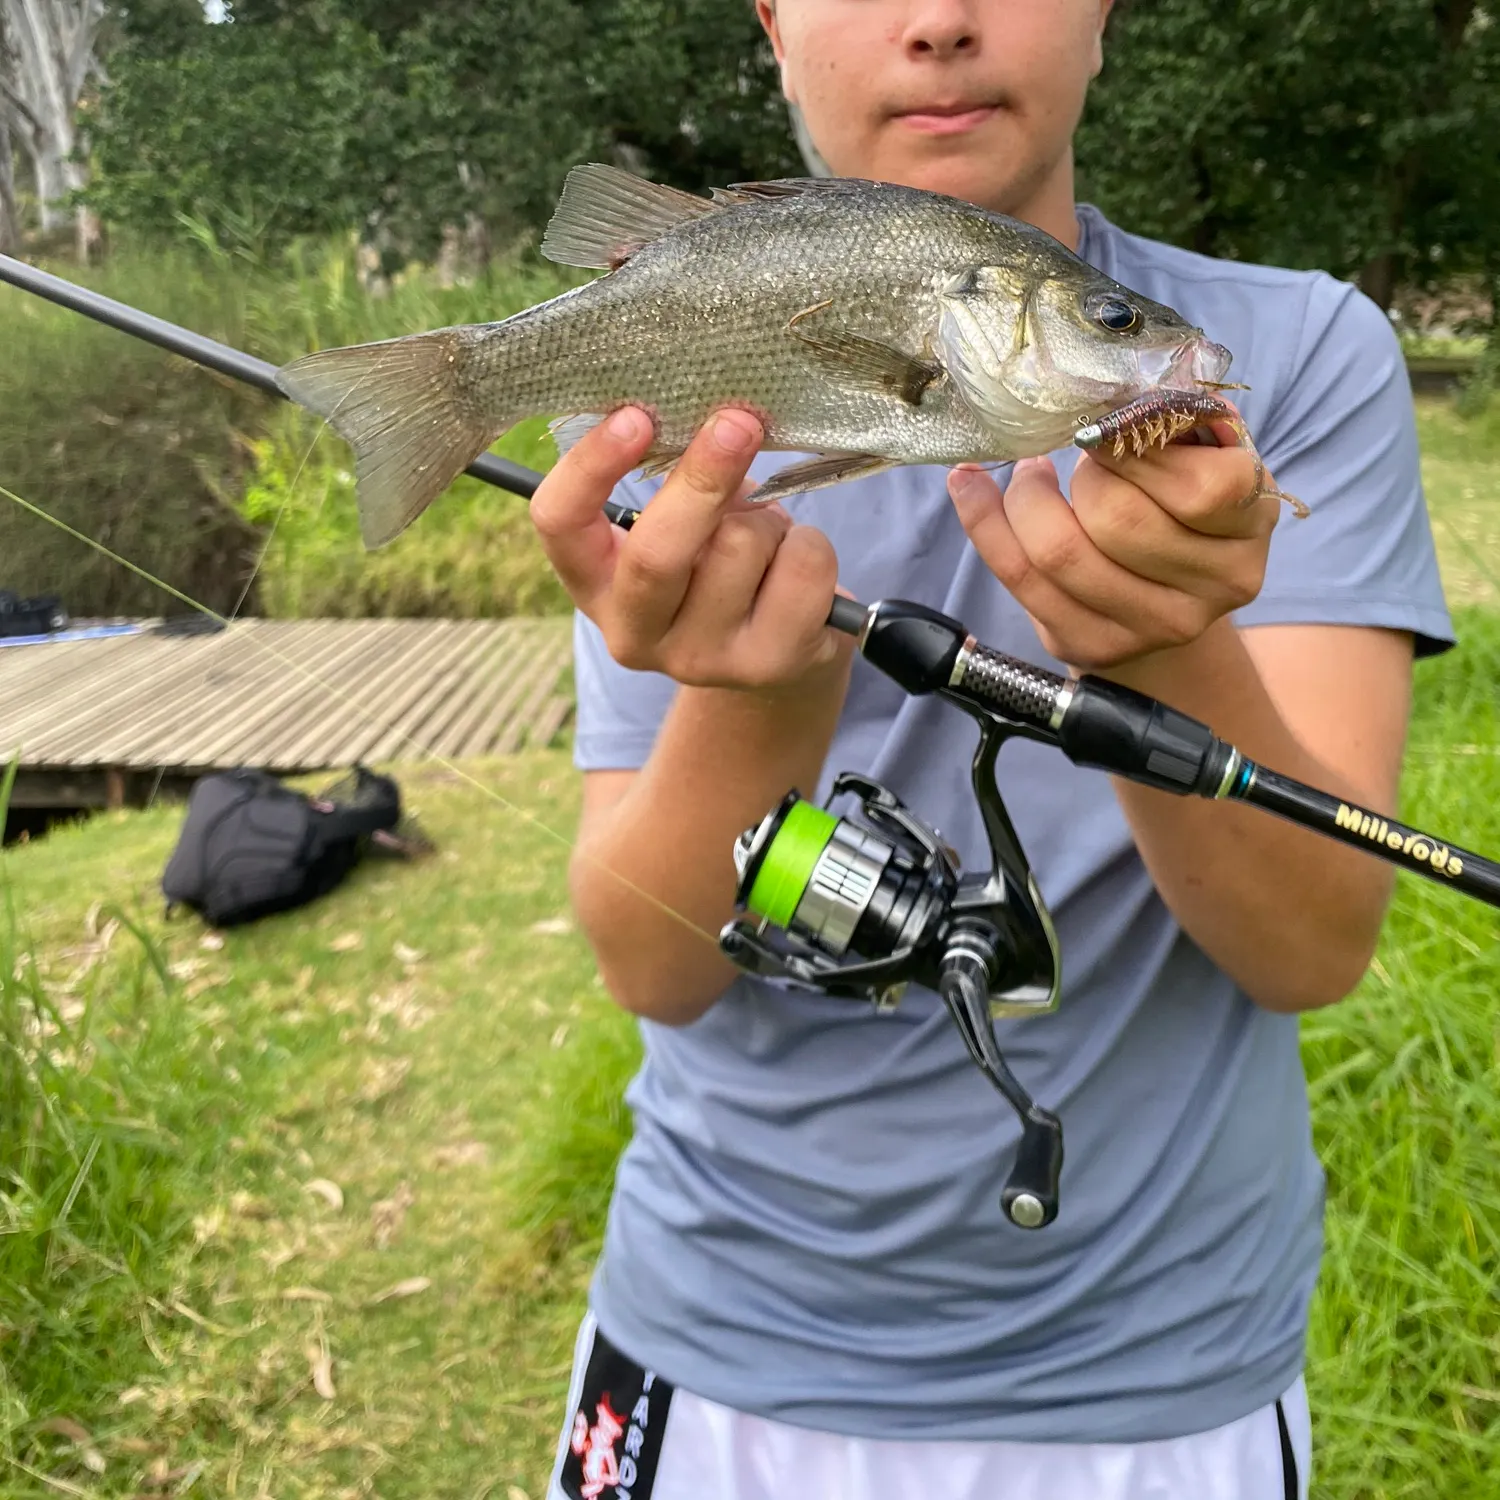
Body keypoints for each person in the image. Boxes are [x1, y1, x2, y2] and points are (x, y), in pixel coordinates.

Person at [527, 3, 1454, 1497]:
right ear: (772, 23)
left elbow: (1313, 949)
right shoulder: (663, 411)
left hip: (1166, 1370)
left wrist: (1161, 643)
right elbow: (651, 966)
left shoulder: (1300, 356)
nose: (941, 22)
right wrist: (759, 695)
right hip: (719, 1341)